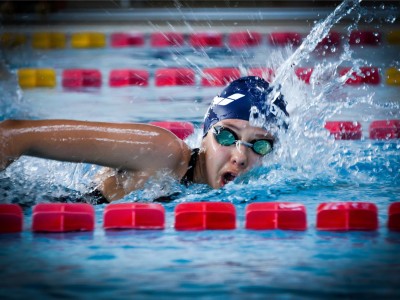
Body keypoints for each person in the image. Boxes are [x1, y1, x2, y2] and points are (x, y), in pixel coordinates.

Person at [0, 76, 289, 203]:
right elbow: (12, 136)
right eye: (227, 135)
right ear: (203, 137)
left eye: (259, 145)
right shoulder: (159, 151)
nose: (240, 156)